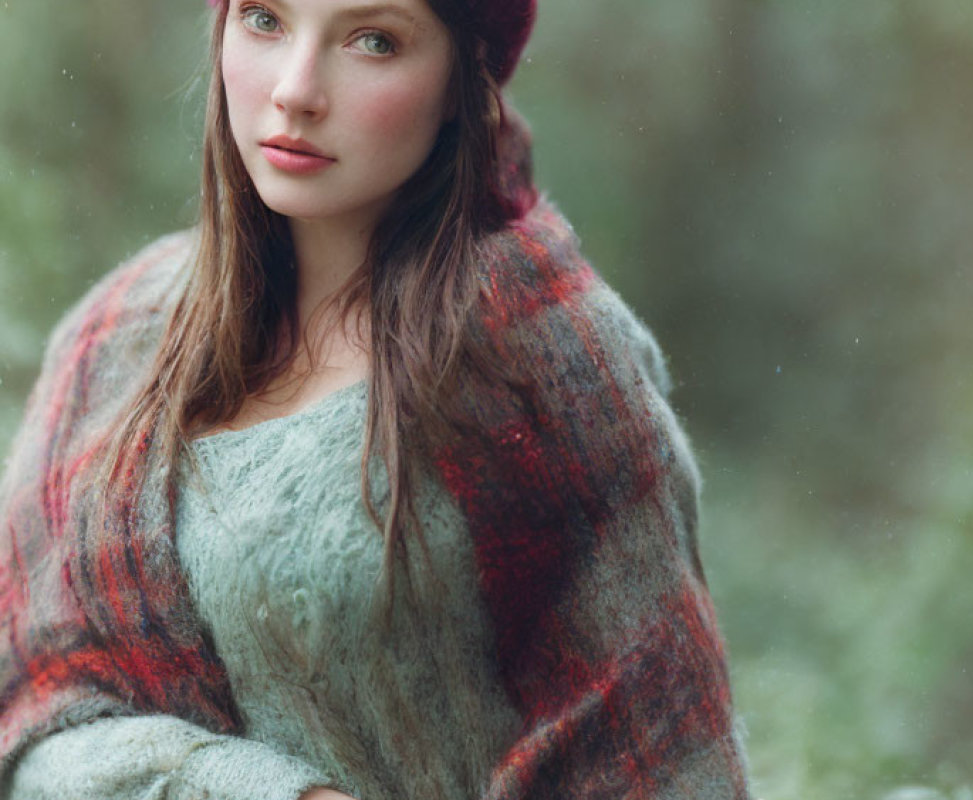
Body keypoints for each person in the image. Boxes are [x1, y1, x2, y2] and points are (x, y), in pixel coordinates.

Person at [0, 0, 751, 798]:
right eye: (263, 19)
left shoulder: (541, 359)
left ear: (465, 77)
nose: (295, 90)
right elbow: (30, 712)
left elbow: (656, 750)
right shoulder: (116, 339)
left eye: (373, 40)